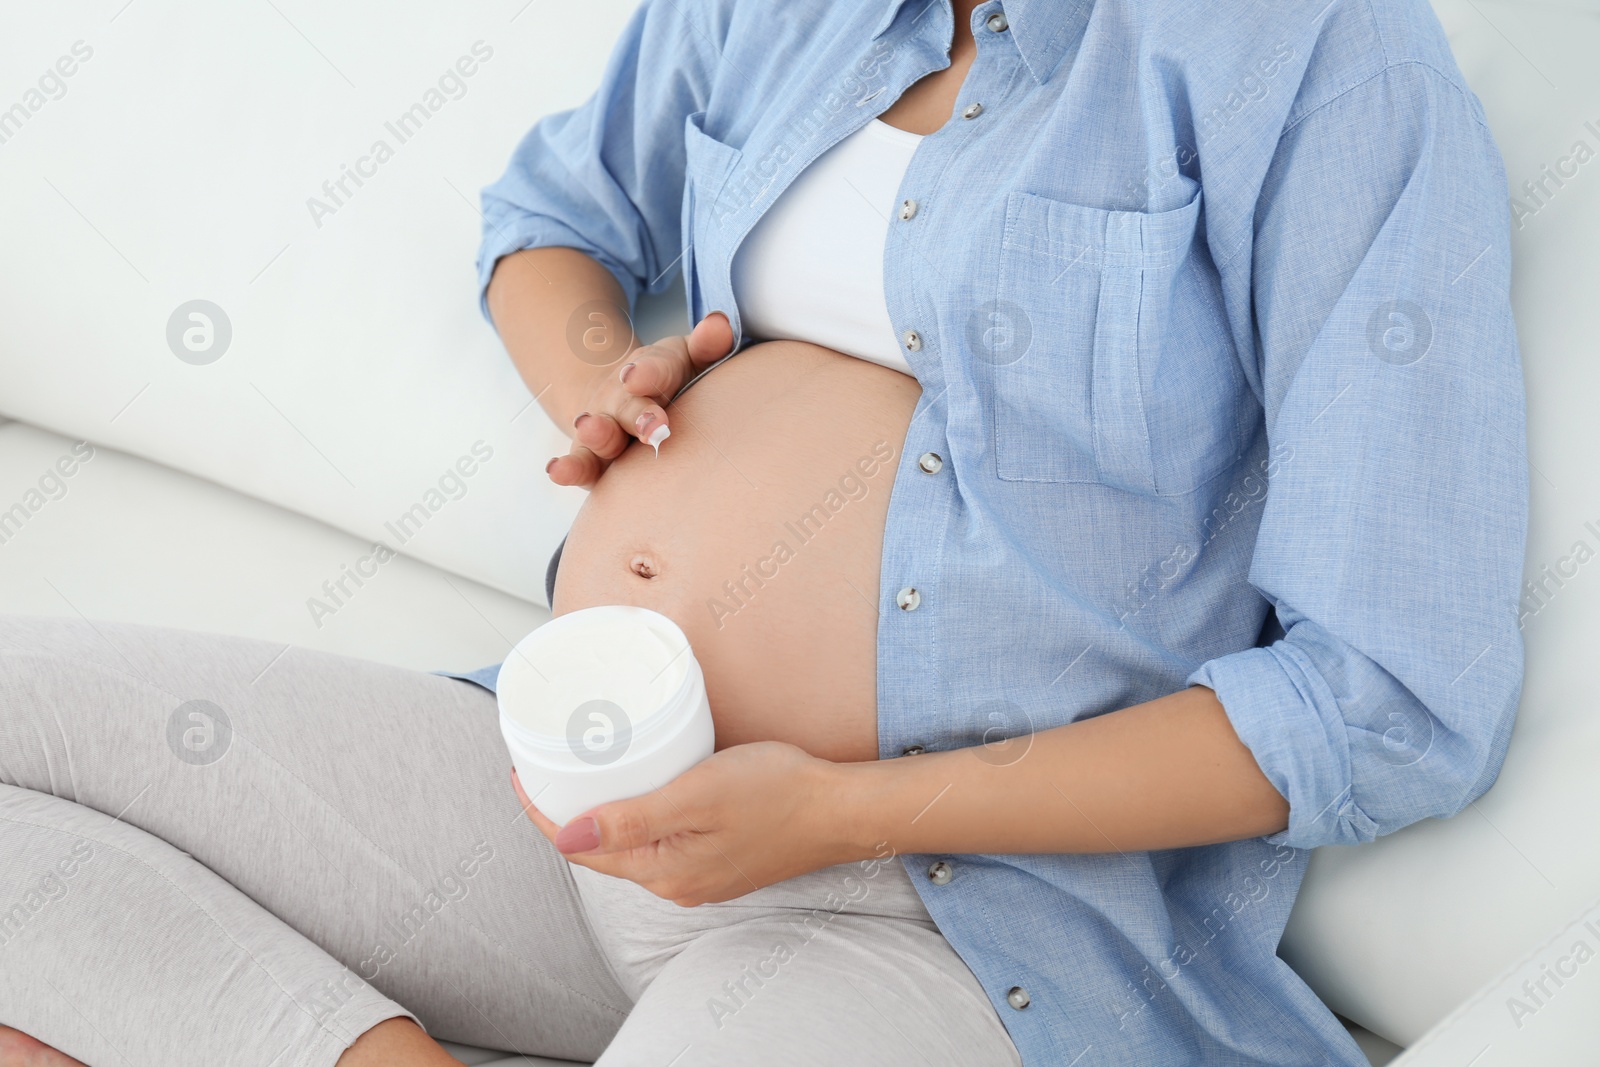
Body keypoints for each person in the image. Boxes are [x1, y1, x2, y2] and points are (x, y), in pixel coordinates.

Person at [0, 0, 1527, 1064]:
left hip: (938, 908)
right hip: (571, 795)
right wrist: (609, 382)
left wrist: (842, 814)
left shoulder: (1322, 58)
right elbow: (548, 219)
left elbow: (1387, 707)